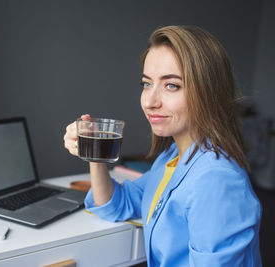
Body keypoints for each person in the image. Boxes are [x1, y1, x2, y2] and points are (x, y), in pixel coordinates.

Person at [63, 25, 262, 266]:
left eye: (171, 85)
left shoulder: (216, 180)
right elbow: (115, 205)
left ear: (209, 92)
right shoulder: (174, 156)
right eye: (147, 84)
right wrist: (95, 154)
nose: (149, 102)